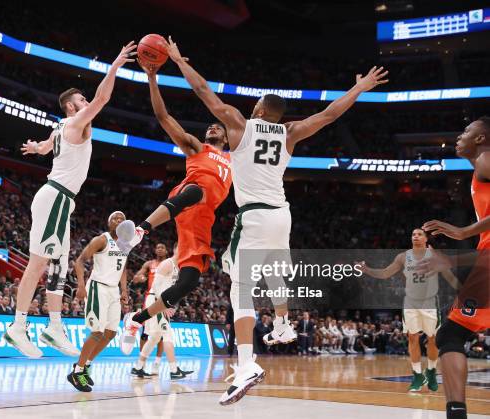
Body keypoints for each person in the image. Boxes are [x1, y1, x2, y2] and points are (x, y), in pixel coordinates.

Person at [156, 37, 388, 404]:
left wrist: (177, 60)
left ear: (261, 111)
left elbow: (202, 90)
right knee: (275, 272)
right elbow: (329, 115)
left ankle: (247, 363)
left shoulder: (240, 125)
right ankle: (282, 324)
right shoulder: (291, 133)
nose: (253, 105)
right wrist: (359, 87)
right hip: (283, 214)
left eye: (257, 103)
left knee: (239, 287)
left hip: (255, 215)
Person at [3, 42, 136, 358]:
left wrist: (36, 148)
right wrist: (115, 64)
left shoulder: (61, 126)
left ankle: (54, 326)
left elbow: (47, 147)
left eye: (85, 98)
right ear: (73, 108)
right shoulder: (76, 123)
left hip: (60, 201)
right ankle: (17, 327)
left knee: (59, 266)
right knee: (38, 263)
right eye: (82, 100)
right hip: (55, 198)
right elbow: (103, 97)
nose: (87, 101)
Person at [118, 60, 232, 356]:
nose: (212, 127)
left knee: (188, 283)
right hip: (187, 198)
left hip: (202, 222)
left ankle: (135, 320)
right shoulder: (197, 147)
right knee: (196, 190)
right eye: (210, 126)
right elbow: (162, 115)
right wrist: (153, 79)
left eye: (217, 127)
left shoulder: (234, 161)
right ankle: (141, 231)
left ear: (227, 138)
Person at [419, 117, 490, 419]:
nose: (459, 137)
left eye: (466, 132)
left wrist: (461, 235)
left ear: (481, 138)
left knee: (450, 335)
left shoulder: (486, 159)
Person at [359, 228, 459, 392]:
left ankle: (431, 371)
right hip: (411, 303)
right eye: (413, 234)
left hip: (430, 302)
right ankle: (418, 375)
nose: (415, 236)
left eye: (419, 234)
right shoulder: (403, 257)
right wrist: (367, 270)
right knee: (412, 338)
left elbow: (449, 276)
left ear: (426, 238)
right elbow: (385, 273)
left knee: (433, 339)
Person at [67, 211, 131, 392]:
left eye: (122, 219)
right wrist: (80, 286)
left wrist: (124, 289)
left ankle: (85, 366)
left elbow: (124, 268)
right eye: (115, 218)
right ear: (109, 223)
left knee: (110, 334)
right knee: (97, 332)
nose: (119, 220)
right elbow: (79, 262)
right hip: (98, 288)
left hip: (114, 291)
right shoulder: (101, 240)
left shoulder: (125, 245)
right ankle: (76, 372)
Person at [131, 243, 193, 380]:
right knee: (167, 334)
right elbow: (156, 286)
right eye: (181, 248)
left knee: (154, 338)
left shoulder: (179, 267)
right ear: (175, 249)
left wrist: (171, 304)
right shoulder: (167, 264)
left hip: (162, 301)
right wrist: (164, 305)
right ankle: (174, 370)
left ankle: (138, 367)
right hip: (156, 301)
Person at [133, 242, 168, 373]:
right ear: (155, 250)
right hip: (150, 298)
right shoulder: (149, 264)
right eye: (158, 247)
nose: (159, 249)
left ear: (166, 251)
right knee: (145, 333)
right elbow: (137, 277)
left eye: (162, 247)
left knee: (161, 333)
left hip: (164, 299)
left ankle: (157, 363)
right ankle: (141, 363)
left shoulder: (169, 264)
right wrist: (140, 277)